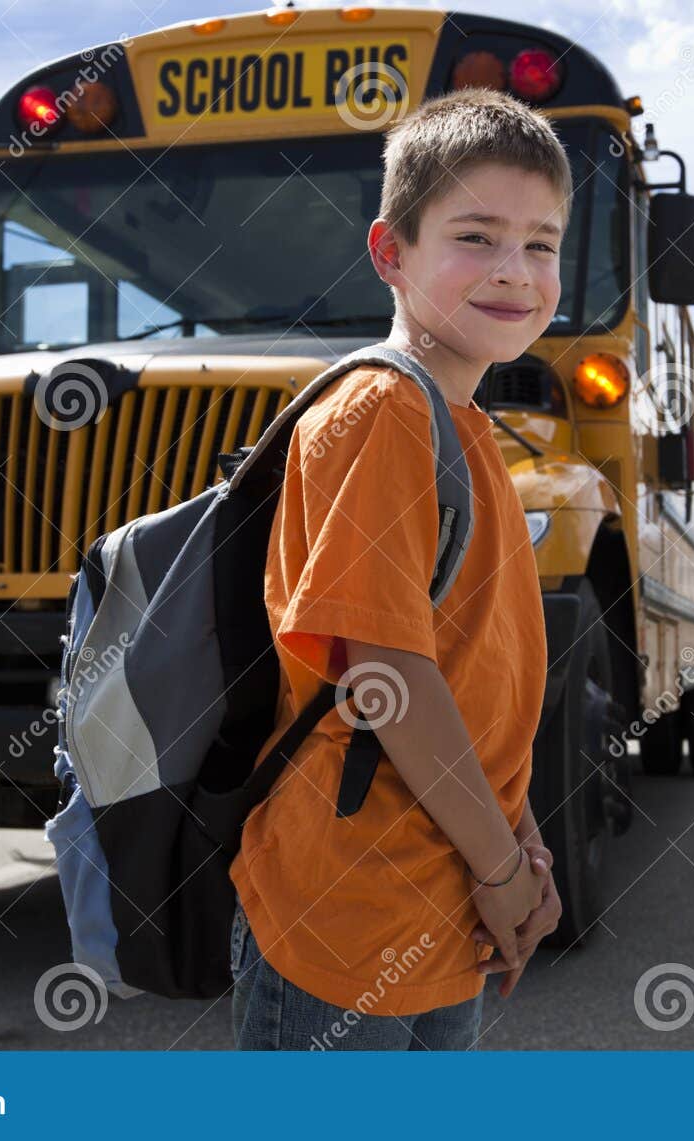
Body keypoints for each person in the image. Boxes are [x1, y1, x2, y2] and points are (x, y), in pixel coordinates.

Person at [229, 87, 574, 1050]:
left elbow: (470, 676)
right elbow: (385, 673)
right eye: (476, 237)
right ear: (390, 253)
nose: (514, 270)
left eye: (542, 244)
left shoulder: (466, 428)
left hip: (442, 899)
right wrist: (501, 870)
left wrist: (520, 847)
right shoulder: (384, 410)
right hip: (348, 913)